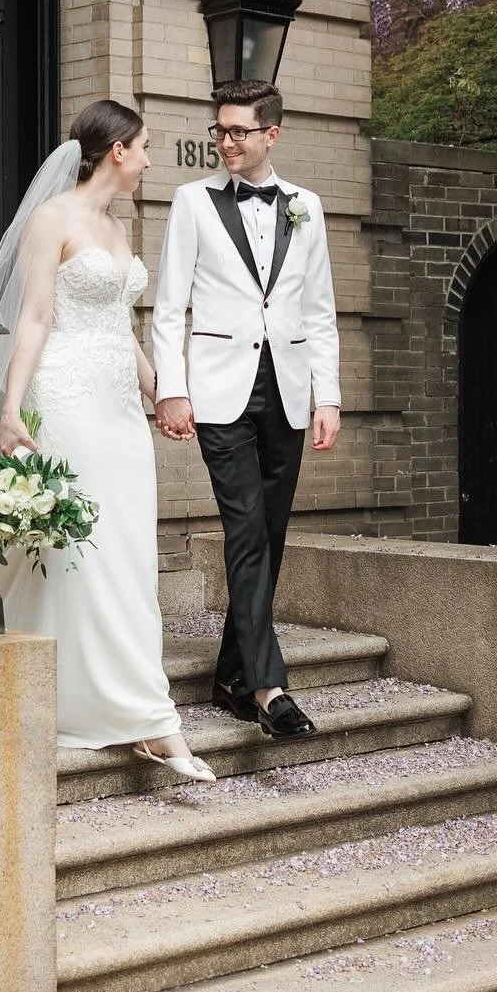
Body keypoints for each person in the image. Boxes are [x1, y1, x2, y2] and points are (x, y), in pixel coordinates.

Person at [0, 99, 214, 782]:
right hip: (67, 396)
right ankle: (153, 718)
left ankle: (83, 692)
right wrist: (12, 408)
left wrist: (163, 392)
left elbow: (121, 329)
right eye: (144, 147)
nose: (147, 159)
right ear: (117, 150)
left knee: (128, 552)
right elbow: (37, 315)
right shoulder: (53, 220)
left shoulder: (116, 227)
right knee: (87, 549)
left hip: (116, 404)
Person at [151, 80, 340, 740]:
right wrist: (171, 389)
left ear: (271, 135)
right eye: (220, 132)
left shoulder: (306, 208)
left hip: (287, 391)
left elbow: (320, 312)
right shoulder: (192, 203)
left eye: (238, 132)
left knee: (271, 532)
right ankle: (267, 688)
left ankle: (230, 677)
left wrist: (329, 397)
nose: (226, 142)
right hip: (219, 392)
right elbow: (170, 305)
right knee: (246, 528)